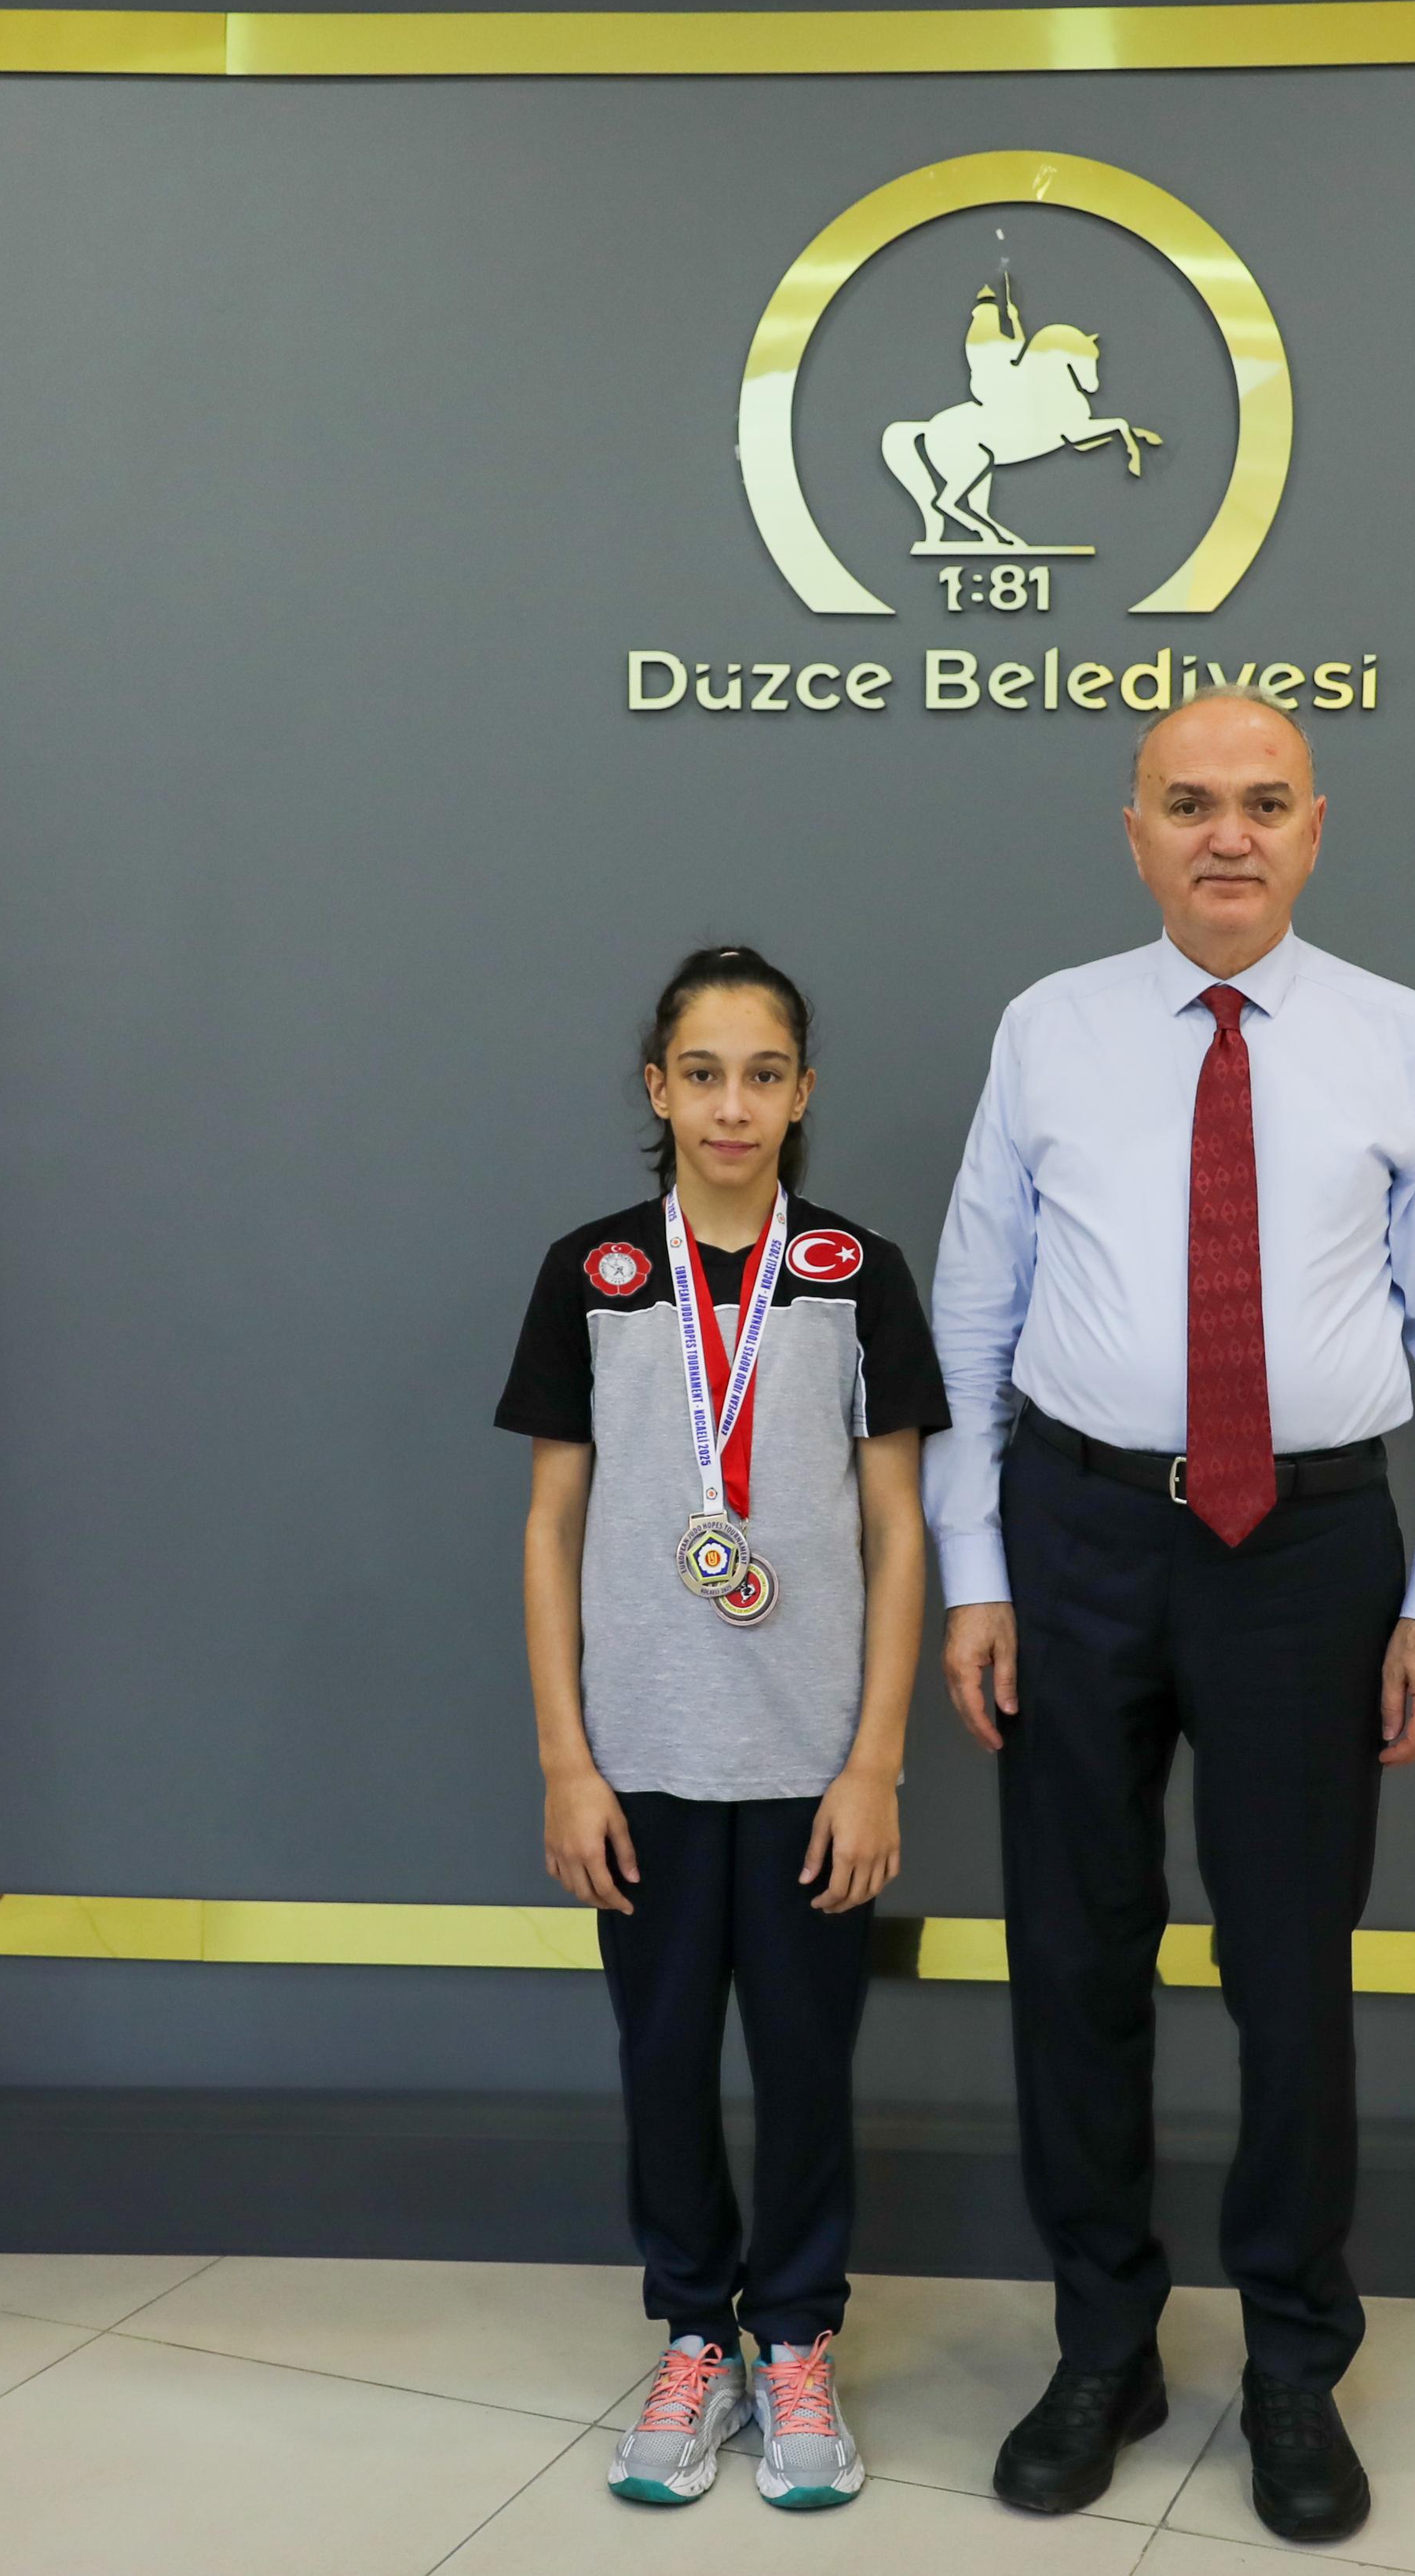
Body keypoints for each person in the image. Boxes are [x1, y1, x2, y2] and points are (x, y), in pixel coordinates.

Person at [924, 688, 1415, 2545]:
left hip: (1309, 1555)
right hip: (1079, 1534)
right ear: (1133, 833)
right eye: (1187, 803)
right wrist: (977, 1570)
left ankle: (1290, 2360)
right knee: (1075, 1958)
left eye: (1263, 802)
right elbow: (970, 1313)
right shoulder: (1048, 1029)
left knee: (1290, 1970)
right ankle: (1101, 2343)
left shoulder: (1402, 1041)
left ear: (1315, 828)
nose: (1227, 836)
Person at [495, 945, 949, 2511]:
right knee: (666, 2055)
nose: (732, 1106)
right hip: (640, 1760)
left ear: (803, 1091)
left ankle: (798, 2337)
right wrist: (567, 1759)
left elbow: (898, 1525)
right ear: (658, 1087)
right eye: (702, 1074)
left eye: (763, 1075)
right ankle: (695, 2332)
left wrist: (876, 1760)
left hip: (816, 1763)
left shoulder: (856, 1272)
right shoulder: (593, 1273)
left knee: (810, 2061)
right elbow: (551, 1525)